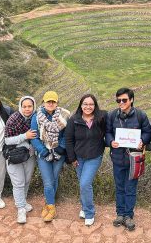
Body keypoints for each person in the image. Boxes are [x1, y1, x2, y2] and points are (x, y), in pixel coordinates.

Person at [105, 87, 151, 231]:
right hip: (118, 158)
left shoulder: (140, 115)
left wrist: (142, 141)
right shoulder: (112, 115)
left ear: (131, 100)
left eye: (124, 100)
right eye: (118, 100)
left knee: (130, 188)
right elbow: (107, 132)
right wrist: (111, 141)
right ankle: (120, 214)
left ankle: (128, 215)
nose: (121, 102)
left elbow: (148, 131)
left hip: (134, 159)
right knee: (119, 187)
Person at [65, 94, 107, 227]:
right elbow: (69, 140)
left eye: (91, 104)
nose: (88, 107)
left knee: (84, 184)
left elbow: (110, 132)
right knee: (83, 184)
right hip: (79, 158)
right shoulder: (74, 120)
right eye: (85, 104)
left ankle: (89, 213)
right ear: (81, 105)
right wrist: (72, 158)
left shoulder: (101, 118)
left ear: (95, 106)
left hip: (94, 157)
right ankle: (84, 207)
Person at [30, 91, 70, 222]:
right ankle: (51, 208)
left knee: (53, 178)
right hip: (44, 153)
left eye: (53, 101)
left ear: (57, 102)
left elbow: (67, 135)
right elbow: (34, 137)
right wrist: (43, 151)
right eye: (48, 101)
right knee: (48, 181)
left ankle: (49, 203)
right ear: (44, 102)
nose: (51, 103)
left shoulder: (65, 115)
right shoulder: (36, 117)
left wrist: (60, 148)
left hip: (59, 152)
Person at [5, 96, 38, 224]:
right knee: (18, 183)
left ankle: (22, 202)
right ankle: (20, 209)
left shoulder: (35, 118)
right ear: (20, 107)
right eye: (24, 106)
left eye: (30, 106)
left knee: (26, 180)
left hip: (29, 155)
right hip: (15, 155)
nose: (27, 109)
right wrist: (25, 136)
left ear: (33, 106)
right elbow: (7, 140)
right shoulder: (13, 119)